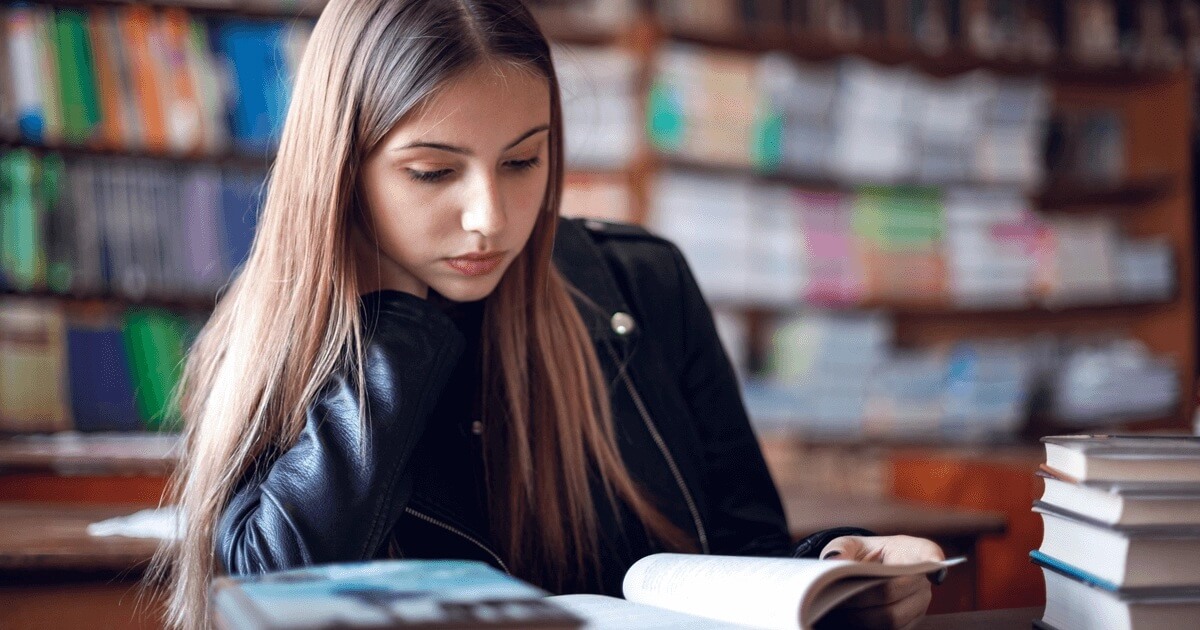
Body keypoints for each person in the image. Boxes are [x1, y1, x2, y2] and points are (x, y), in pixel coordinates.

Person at [151, 1, 945, 628]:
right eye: (433, 172)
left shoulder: (644, 285)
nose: (489, 219)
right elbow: (259, 596)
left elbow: (744, 557)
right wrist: (393, 323)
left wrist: (834, 575)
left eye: (523, 160)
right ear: (340, 172)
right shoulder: (270, 345)